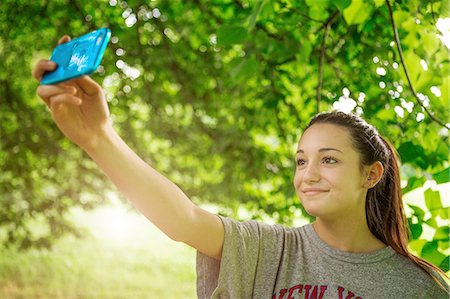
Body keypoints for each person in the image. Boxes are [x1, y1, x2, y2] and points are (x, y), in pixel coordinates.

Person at [33, 35, 449, 299]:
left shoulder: (418, 289)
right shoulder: (270, 250)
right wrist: (98, 137)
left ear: (371, 174)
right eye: (301, 161)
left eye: (329, 160)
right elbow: (183, 219)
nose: (309, 174)